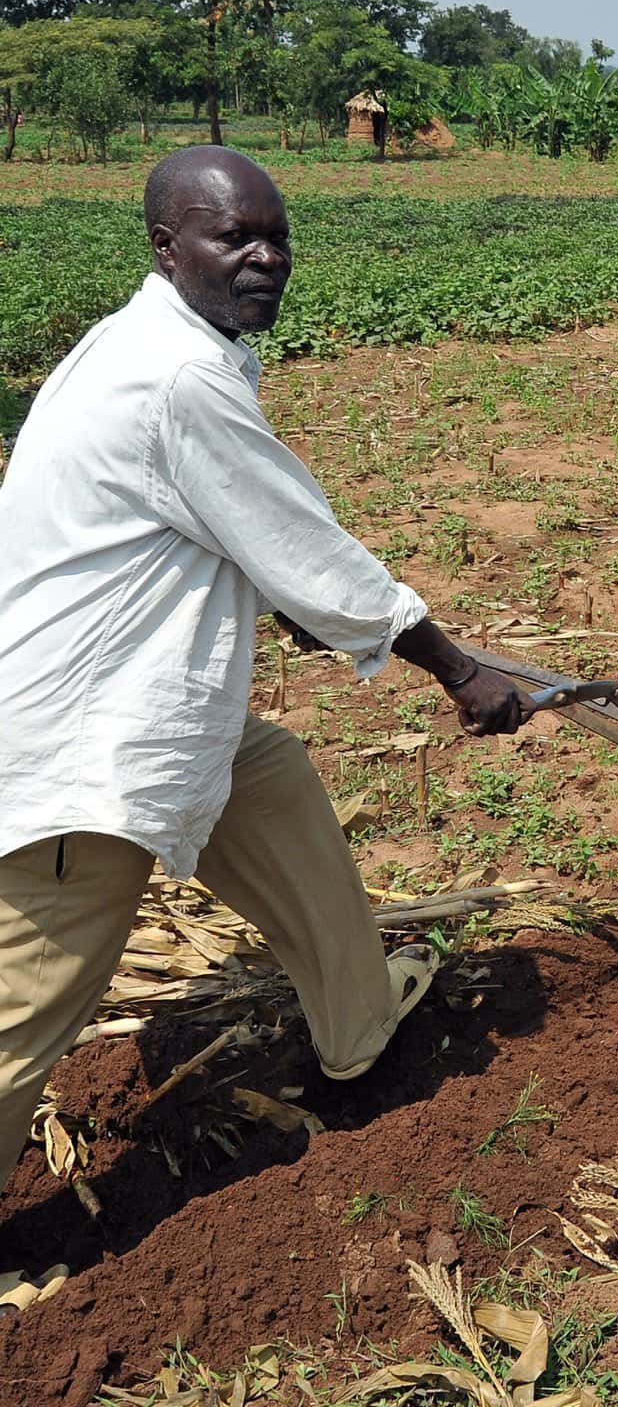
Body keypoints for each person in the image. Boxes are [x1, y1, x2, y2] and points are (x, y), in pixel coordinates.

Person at [0, 145, 529, 1201]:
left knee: (270, 776)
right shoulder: (179, 375)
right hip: (87, 749)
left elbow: (223, 535)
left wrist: (285, 600)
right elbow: (311, 552)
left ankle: (358, 1021)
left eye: (275, 235)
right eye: (232, 237)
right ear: (167, 246)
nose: (264, 257)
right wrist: (457, 669)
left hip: (148, 700)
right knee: (22, 1012)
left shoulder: (144, 342)